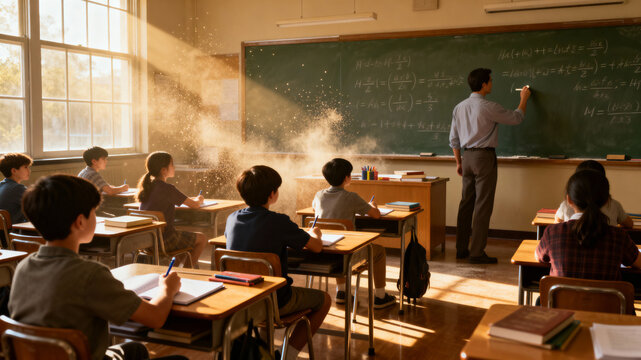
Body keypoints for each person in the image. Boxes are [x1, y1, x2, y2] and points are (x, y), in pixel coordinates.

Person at [8, 175, 186, 360]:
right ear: (80, 221)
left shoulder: (23, 267)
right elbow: (155, 317)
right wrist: (167, 289)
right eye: (94, 211)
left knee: (135, 350)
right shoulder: (90, 274)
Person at [225, 165, 330, 359]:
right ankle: (287, 356)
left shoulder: (232, 218)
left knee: (267, 287)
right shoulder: (279, 222)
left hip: (240, 300)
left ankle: (268, 353)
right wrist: (314, 234)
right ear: (273, 194)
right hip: (273, 302)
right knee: (324, 299)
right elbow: (316, 247)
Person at [449, 68, 531, 264]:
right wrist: (524, 99)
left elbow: (453, 140)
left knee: (466, 204)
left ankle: (461, 249)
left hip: (466, 157)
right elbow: (516, 118)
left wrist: (459, 162)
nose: (492, 84)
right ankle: (476, 253)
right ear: (484, 84)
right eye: (491, 81)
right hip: (484, 158)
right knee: (482, 206)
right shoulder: (488, 106)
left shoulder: (459, 107)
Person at [312, 158, 396, 308]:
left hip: (325, 253)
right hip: (348, 256)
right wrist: (372, 205)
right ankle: (381, 296)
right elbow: (376, 215)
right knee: (379, 252)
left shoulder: (319, 195)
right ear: (346, 178)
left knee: (338, 243)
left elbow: (315, 211)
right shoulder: (351, 197)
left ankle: (342, 292)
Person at [536, 170, 641, 279]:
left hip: (561, 296)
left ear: (569, 200)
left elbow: (538, 256)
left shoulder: (553, 232)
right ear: (606, 201)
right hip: (606, 296)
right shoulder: (619, 236)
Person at [136, 151, 207, 268]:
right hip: (165, 241)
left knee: (183, 241)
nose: (174, 167)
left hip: (147, 241)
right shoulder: (168, 189)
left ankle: (174, 271)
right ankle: (186, 272)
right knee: (202, 239)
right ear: (164, 170)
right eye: (172, 165)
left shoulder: (146, 187)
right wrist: (199, 199)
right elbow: (194, 205)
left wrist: (191, 199)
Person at [554, 160, 633, 228]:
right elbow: (629, 224)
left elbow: (557, 221)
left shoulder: (566, 205)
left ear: (569, 199)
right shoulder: (614, 205)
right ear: (606, 199)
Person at [0, 152, 33, 224]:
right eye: (25, 167)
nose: (29, 170)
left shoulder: (1, 185)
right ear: (14, 171)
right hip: (13, 232)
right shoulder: (18, 189)